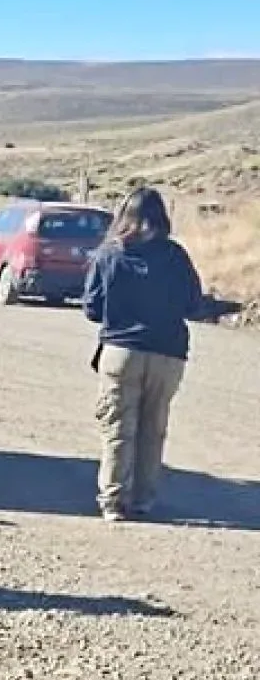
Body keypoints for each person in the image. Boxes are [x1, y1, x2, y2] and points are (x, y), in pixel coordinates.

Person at [82, 187, 203, 522]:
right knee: (153, 428)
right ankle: (143, 499)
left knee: (118, 427)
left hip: (122, 351)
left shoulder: (110, 255)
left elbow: (91, 308)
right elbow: (194, 304)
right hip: (169, 352)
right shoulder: (176, 256)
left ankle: (114, 500)